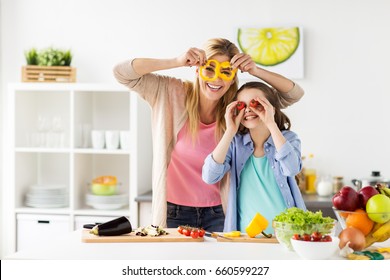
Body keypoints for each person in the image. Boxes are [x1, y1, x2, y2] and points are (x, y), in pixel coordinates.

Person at [113, 38, 304, 232]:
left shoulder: (237, 109)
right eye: (209, 69)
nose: (216, 79)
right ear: (197, 70)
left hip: (220, 211)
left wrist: (255, 70)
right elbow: (122, 73)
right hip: (173, 211)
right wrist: (176, 61)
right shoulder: (170, 93)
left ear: (233, 78)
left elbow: (293, 94)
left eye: (225, 72)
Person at [202, 81, 306, 234]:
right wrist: (230, 130)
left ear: (271, 108)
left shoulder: (288, 139)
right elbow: (209, 176)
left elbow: (291, 168)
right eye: (242, 106)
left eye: (256, 103)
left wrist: (271, 123)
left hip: (287, 233)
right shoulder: (235, 143)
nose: (249, 110)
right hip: (246, 235)